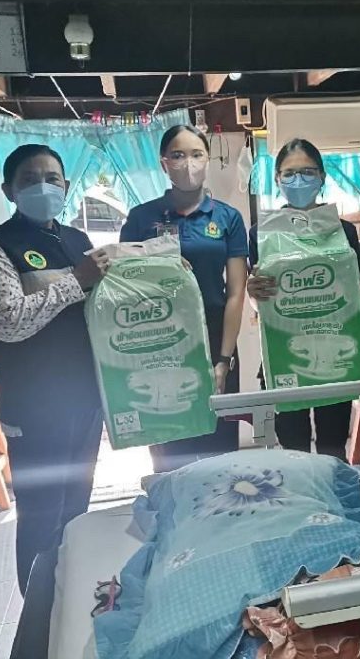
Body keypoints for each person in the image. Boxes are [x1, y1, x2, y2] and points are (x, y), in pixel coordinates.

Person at [0, 144, 109, 593]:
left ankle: (69, 601)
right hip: (34, 409)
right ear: (9, 190)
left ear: (66, 186)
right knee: (41, 513)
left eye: (52, 179)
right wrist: (77, 280)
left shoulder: (77, 240)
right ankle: (37, 612)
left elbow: (102, 307)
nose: (43, 187)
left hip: (85, 400)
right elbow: (8, 322)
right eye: (30, 180)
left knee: (76, 508)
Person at [120, 124, 248, 473]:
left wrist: (223, 360)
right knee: (169, 452)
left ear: (208, 160)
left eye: (196, 154)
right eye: (177, 155)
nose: (188, 163)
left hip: (215, 339)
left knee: (220, 453)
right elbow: (124, 283)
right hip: (159, 340)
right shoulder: (141, 218)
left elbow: (236, 292)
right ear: (164, 163)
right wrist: (158, 264)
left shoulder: (227, 218)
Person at [246, 138, 359, 460]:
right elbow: (258, 300)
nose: (299, 180)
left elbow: (353, 295)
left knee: (333, 446)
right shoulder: (262, 233)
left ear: (322, 177)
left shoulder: (344, 231)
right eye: (290, 173)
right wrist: (254, 293)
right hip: (284, 351)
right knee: (292, 447)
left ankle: (334, 491)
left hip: (334, 352)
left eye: (308, 172)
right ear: (277, 179)